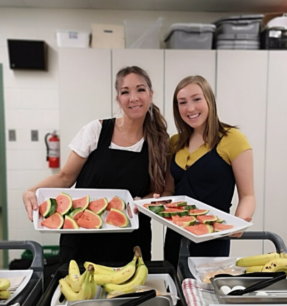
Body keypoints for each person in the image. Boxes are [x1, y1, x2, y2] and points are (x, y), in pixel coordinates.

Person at [23, 66, 168, 264]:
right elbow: (65, 177)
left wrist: (140, 203)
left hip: (132, 242)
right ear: (118, 98)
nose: (133, 97)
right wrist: (31, 191)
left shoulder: (159, 141)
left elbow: (158, 191)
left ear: (150, 95)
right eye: (125, 92)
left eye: (140, 90)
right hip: (82, 239)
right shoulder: (96, 130)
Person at [161, 75, 255, 268]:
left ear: (209, 101)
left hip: (214, 239)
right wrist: (156, 201)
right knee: (176, 290)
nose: (190, 108)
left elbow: (248, 196)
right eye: (182, 102)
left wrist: (239, 220)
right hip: (175, 237)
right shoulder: (175, 143)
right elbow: (169, 191)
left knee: (205, 291)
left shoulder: (233, 139)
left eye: (197, 99)